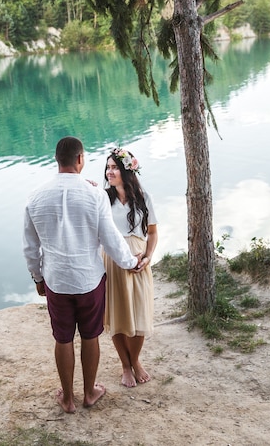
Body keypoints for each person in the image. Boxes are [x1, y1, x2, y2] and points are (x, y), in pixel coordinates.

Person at [23, 136, 142, 414]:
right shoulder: (95, 194)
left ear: (56, 159)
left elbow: (30, 247)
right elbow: (110, 238)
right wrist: (129, 262)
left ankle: (67, 399)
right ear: (80, 159)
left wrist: (38, 278)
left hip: (56, 280)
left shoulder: (35, 196)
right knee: (90, 336)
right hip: (89, 280)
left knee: (62, 338)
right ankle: (89, 393)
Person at [103, 147, 158, 388]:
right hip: (113, 260)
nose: (109, 172)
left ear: (127, 170)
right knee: (118, 315)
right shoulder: (103, 198)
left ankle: (135, 360)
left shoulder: (144, 197)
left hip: (139, 260)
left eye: (114, 167)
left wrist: (147, 257)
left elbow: (153, 232)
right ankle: (125, 365)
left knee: (139, 314)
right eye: (108, 167)